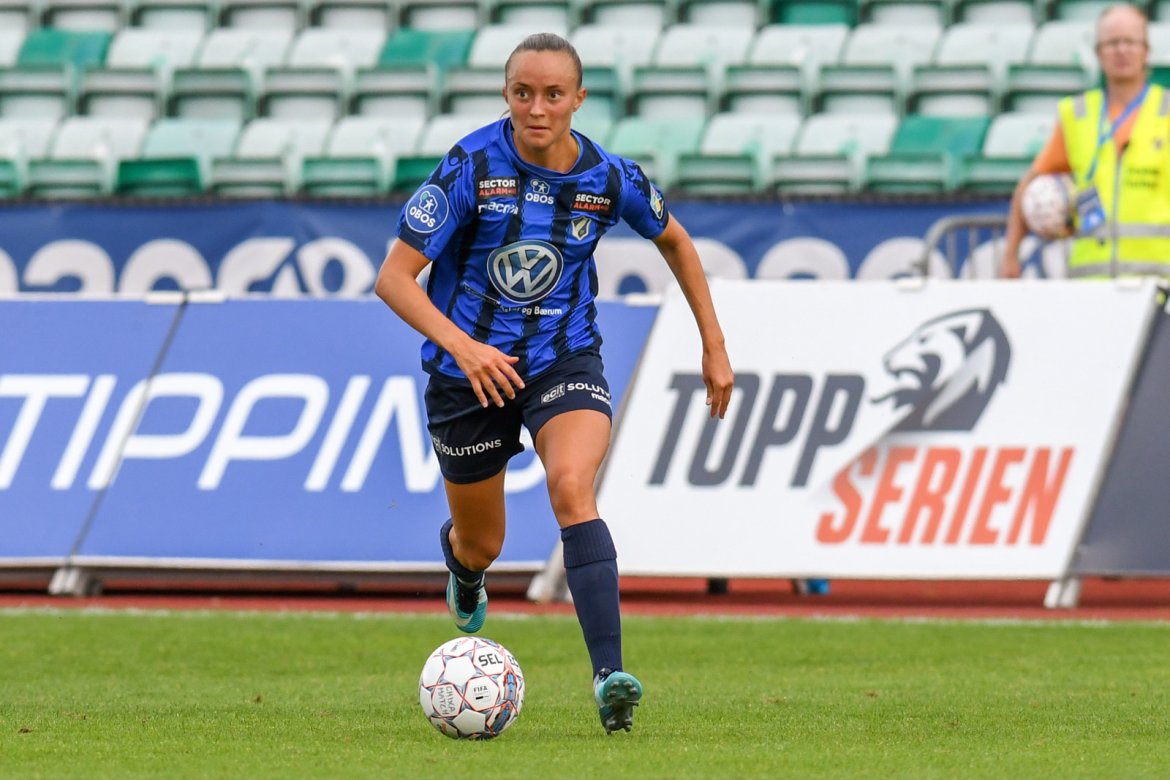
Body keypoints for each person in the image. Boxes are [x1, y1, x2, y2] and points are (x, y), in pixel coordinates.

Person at [374, 32, 734, 735]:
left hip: (561, 359)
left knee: (572, 488)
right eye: (522, 93)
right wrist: (464, 347)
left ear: (578, 99)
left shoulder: (608, 177)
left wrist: (713, 345)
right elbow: (394, 278)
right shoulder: (472, 166)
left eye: (552, 94)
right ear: (506, 95)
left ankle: (609, 679)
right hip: (468, 374)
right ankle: (465, 568)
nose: (536, 108)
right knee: (484, 543)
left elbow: (675, 240)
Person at [1001, 3, 1170, 281]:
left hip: (1158, 285)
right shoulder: (1077, 115)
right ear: (1098, 52)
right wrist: (1010, 256)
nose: (1122, 50)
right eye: (1112, 43)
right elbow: (1026, 188)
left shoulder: (1166, 110)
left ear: (1146, 51)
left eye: (1130, 42)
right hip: (1092, 286)